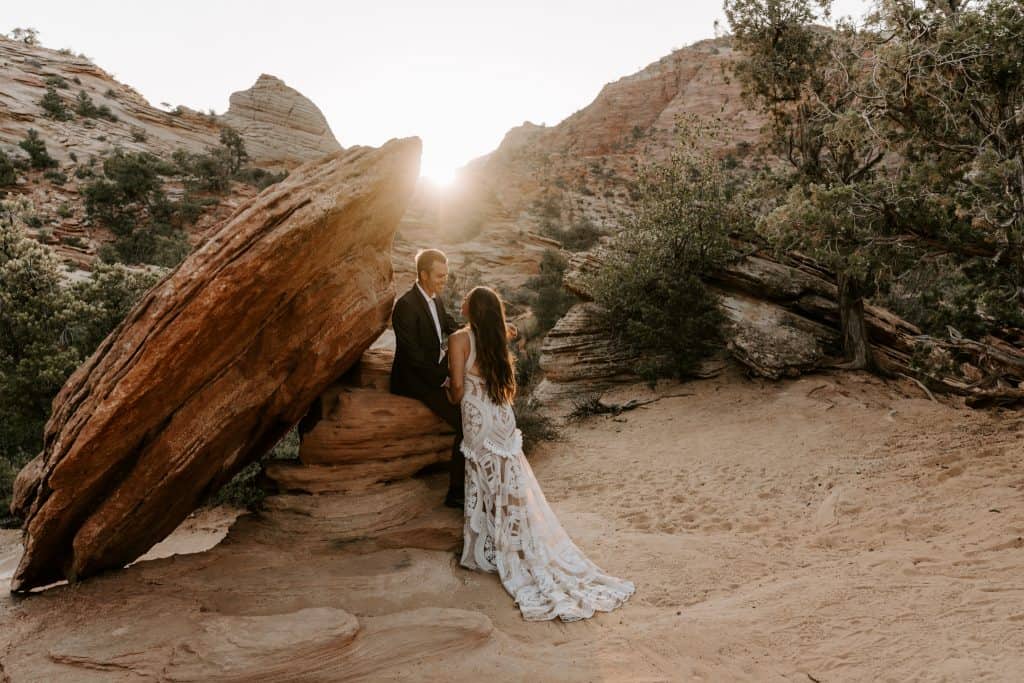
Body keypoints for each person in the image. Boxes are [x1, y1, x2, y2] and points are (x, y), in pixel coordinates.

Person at [445, 286, 634, 622]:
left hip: (478, 419)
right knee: (509, 479)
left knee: (484, 479)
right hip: (502, 416)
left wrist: (447, 390)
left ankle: (489, 548)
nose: (460, 304)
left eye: (466, 300)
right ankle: (517, 542)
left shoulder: (459, 339)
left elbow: (458, 390)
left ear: (472, 309)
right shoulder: (497, 334)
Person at [390, 249, 464, 508]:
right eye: (439, 276)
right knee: (463, 422)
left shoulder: (436, 300)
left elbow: (452, 327)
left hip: (432, 371)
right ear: (423, 275)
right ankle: (455, 493)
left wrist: (479, 331)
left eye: (446, 275)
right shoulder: (406, 306)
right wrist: (444, 380)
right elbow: (414, 359)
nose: (444, 280)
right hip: (414, 379)